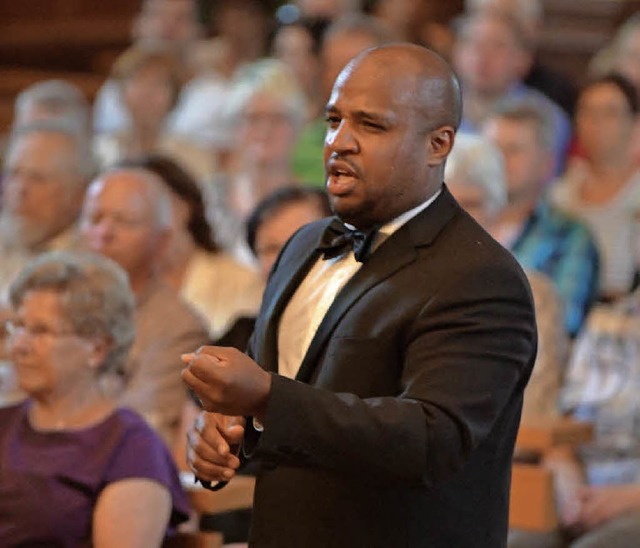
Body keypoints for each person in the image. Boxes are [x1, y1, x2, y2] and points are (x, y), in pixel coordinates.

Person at [183, 43, 537, 547]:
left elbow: (431, 440)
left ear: (439, 144)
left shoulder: (479, 276)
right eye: (333, 120)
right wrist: (226, 437)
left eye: (371, 125)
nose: (339, 142)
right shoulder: (304, 244)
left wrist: (264, 396)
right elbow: (284, 412)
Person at [0, 251, 189, 546]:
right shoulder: (4, 423)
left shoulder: (129, 446)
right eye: (18, 327)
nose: (19, 345)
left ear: (97, 348)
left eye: (40, 331)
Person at [79, 167, 209, 447]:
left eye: (123, 222)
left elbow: (135, 429)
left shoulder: (179, 328)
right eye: (94, 218)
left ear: (161, 241)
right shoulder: (49, 303)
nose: (103, 233)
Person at [445, 133, 567, 421]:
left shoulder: (535, 294)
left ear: (496, 208)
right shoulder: (403, 284)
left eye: (473, 203)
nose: (460, 216)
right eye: (449, 202)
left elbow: (536, 403)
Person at [482, 100, 600, 337]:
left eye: (513, 150)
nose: (498, 159)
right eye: (491, 148)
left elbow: (562, 324)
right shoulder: (456, 222)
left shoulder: (570, 236)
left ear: (547, 165)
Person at [122, 154, 264, 340]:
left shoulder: (242, 282)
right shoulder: (112, 288)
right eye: (127, 214)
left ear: (186, 206)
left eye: (150, 205)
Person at [550, 73, 640, 301]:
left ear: (634, 122)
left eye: (610, 113)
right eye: (587, 112)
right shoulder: (557, 194)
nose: (596, 123)